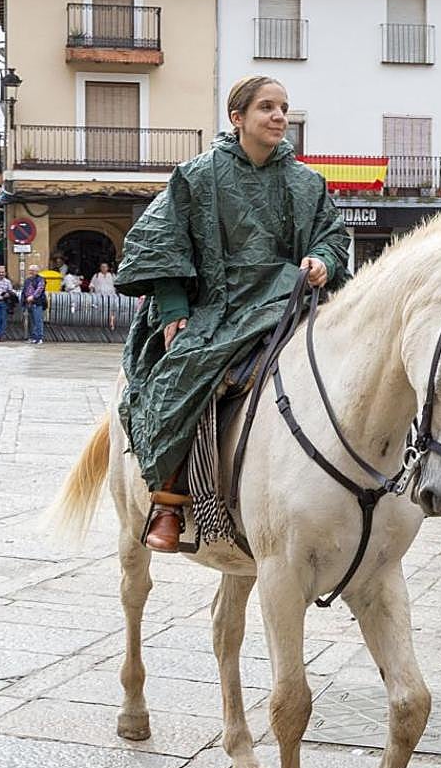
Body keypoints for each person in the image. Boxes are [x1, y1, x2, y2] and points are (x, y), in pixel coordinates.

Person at [116, 75, 349, 551]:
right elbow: (162, 241)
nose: (279, 117)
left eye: (283, 108)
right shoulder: (196, 175)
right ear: (237, 117)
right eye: (267, 107)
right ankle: (168, 498)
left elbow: (332, 235)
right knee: (182, 377)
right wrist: (173, 308)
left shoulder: (307, 182)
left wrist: (323, 260)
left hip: (288, 301)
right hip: (215, 307)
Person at [20, 263, 49, 345]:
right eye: (30, 270)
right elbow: (24, 291)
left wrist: (33, 297)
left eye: (32, 270)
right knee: (31, 321)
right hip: (28, 304)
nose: (30, 272)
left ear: (37, 271)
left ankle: (39, 338)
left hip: (37, 303)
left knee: (38, 321)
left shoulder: (41, 279)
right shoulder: (27, 280)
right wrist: (23, 301)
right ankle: (33, 337)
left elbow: (40, 289)